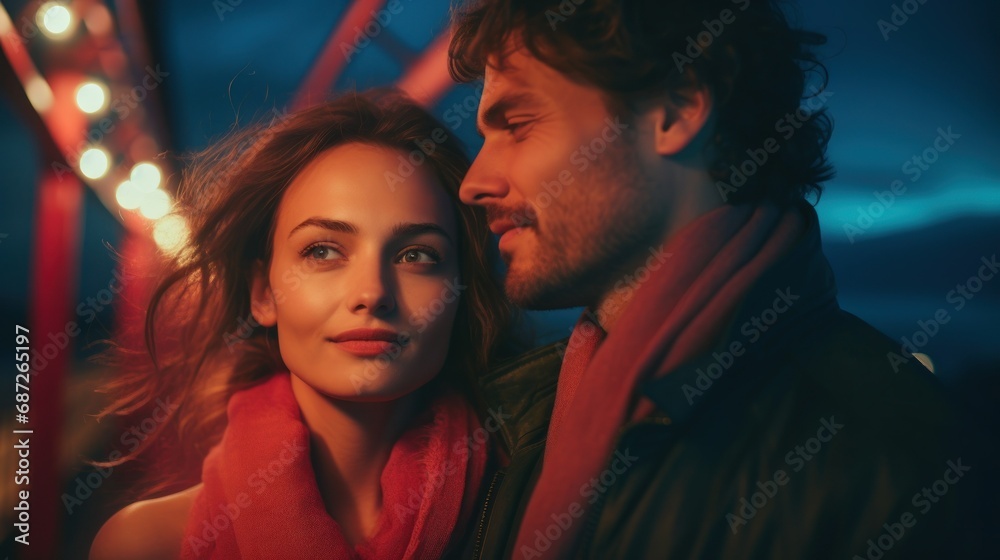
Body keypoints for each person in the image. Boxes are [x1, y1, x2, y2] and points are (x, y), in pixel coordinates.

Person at [447, 1, 994, 558]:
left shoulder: (891, 452)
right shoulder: (505, 420)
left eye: (516, 125)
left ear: (677, 111)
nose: (474, 182)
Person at [89, 90, 514, 559]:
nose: (372, 292)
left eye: (416, 255)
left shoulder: (537, 514)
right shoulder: (148, 545)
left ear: (462, 291)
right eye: (323, 251)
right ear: (263, 294)